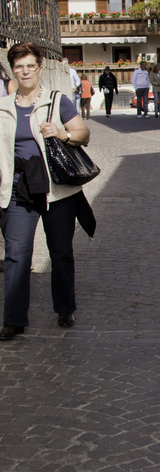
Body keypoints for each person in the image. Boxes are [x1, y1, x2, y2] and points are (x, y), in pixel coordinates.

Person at [0, 42, 96, 341]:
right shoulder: (3, 107)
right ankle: (14, 319)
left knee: (61, 252)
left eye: (30, 65)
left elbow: (84, 134)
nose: (25, 71)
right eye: (19, 67)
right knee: (16, 255)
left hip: (56, 189)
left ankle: (64, 309)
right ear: (12, 71)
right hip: (18, 188)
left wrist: (62, 133)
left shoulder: (58, 101)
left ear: (39, 68)